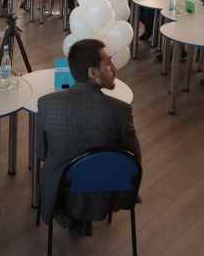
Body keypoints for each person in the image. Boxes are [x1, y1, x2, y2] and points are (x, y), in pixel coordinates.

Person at [36, 38, 141, 236]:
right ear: (92, 73)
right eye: (108, 63)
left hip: (60, 191)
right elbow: (134, 160)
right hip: (105, 189)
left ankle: (74, 217)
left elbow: (42, 153)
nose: (114, 68)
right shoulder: (120, 111)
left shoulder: (46, 104)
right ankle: (86, 214)